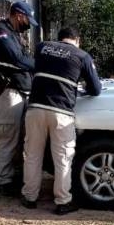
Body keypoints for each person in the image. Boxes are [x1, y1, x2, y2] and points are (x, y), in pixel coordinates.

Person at [21, 27, 102, 215]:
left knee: (32, 154)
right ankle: (63, 201)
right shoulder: (82, 56)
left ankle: (29, 197)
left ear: (59, 38)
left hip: (35, 108)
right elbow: (96, 89)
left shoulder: (42, 47)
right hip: (61, 112)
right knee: (63, 158)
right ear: (77, 40)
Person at [0, 1, 37, 196]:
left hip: (22, 91)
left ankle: (16, 175)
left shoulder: (15, 33)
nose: (29, 25)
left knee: (21, 137)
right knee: (8, 136)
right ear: (18, 15)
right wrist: (40, 64)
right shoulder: (1, 32)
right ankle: (5, 180)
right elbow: (17, 59)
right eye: (27, 20)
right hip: (9, 91)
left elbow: (24, 59)